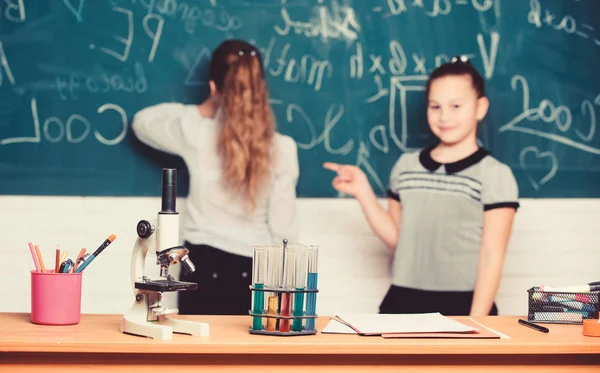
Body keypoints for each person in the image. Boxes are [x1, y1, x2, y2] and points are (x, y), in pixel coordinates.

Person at [323, 56, 519, 316]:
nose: (444, 116)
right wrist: (362, 191)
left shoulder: (494, 174)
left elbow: (492, 257)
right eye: (435, 106)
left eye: (456, 106)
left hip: (463, 306)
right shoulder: (407, 166)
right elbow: (397, 238)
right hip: (402, 303)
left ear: (480, 107)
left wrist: (477, 322)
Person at [132, 39, 299, 315]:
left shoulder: (198, 133)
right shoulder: (283, 148)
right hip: (254, 271)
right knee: (247, 357)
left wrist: (205, 107)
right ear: (260, 88)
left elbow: (142, 122)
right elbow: (284, 231)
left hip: (202, 267)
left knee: (200, 356)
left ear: (214, 86)